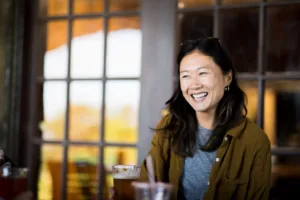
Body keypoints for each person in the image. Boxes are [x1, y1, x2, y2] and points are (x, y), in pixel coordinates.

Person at [138, 37, 271, 200]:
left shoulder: (254, 141)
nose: (194, 85)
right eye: (185, 76)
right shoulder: (169, 127)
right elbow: (147, 187)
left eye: (202, 73)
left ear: (227, 78)